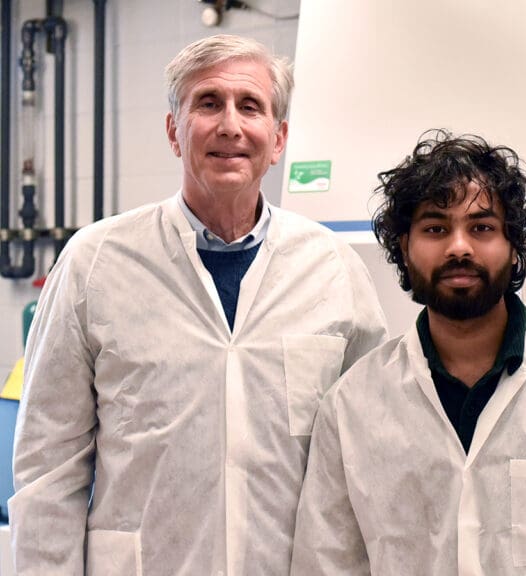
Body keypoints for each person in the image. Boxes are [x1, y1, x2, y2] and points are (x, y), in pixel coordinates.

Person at [10, 34, 387, 575]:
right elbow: (49, 468)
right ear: (173, 131)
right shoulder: (94, 263)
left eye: (250, 106)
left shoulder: (333, 269)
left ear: (277, 139)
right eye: (208, 103)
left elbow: (369, 456)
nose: (230, 125)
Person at [289, 130, 526, 575]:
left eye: (482, 228)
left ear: (513, 250)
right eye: (435, 228)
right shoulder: (351, 405)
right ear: (404, 251)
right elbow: (326, 563)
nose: (459, 246)